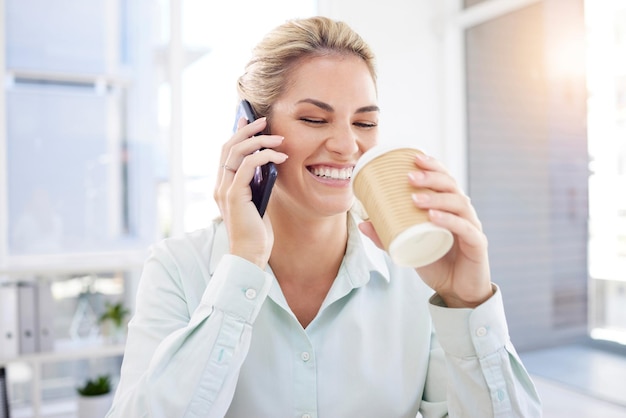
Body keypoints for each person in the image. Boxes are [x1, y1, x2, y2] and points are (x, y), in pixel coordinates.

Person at [107, 16, 542, 418]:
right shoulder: (178, 268)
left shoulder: (414, 274)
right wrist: (241, 268)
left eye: (365, 123)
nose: (347, 144)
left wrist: (469, 304)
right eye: (315, 119)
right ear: (251, 131)